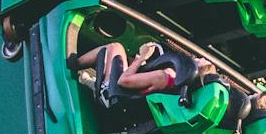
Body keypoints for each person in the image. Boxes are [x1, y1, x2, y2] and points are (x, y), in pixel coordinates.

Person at [79, 36, 214, 105]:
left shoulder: (165, 76)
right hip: (126, 95)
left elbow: (123, 81)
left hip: (114, 95)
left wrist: (142, 57)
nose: (200, 58)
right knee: (118, 57)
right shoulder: (176, 82)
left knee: (115, 48)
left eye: (202, 61)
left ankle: (70, 64)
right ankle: (92, 82)